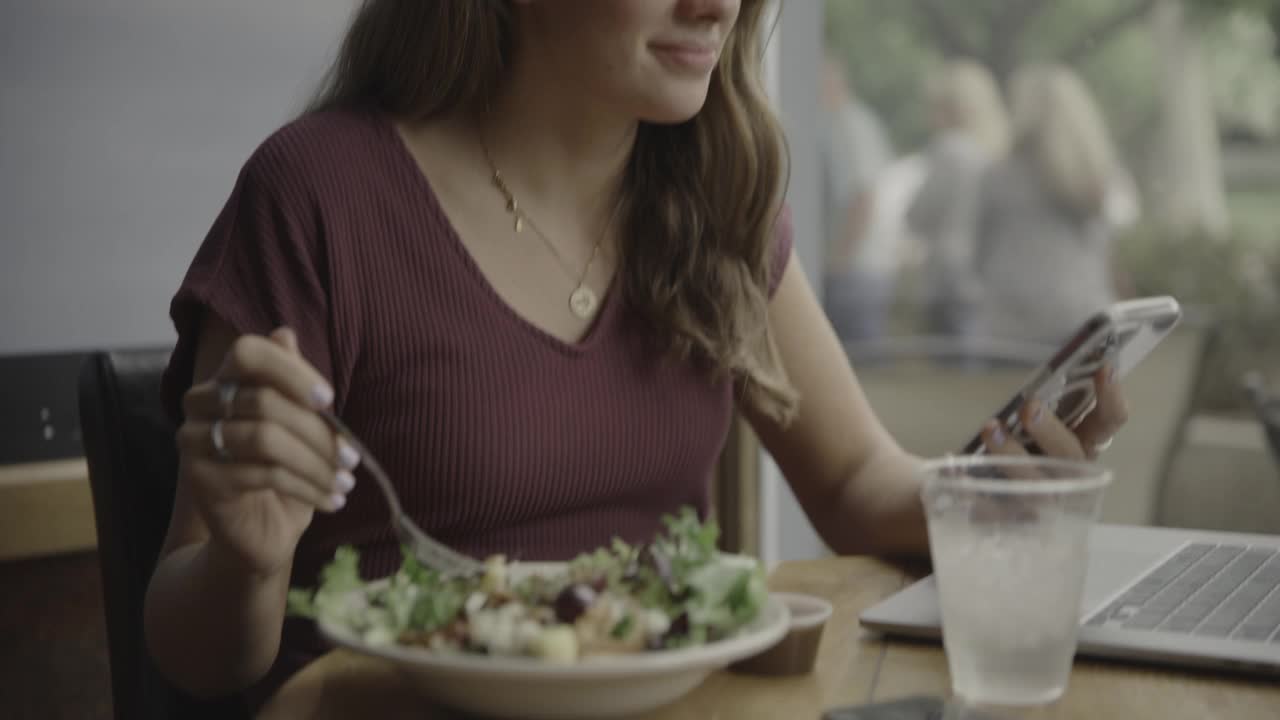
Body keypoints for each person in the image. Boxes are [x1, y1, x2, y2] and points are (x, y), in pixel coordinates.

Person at [144, 1, 1129, 711]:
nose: (716, 5)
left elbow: (852, 476)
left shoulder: (714, 196)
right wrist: (244, 562)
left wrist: (992, 487)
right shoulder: (319, 194)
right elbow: (198, 659)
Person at [971, 64, 1135, 344]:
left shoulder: (999, 175)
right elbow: (1111, 243)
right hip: (1085, 317)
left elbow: (979, 252)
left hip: (1013, 324)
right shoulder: (1099, 176)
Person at [906, 58, 1011, 339]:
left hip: (949, 277)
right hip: (985, 279)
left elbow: (916, 215)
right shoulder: (998, 151)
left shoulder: (950, 150)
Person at [819, 53, 897, 343]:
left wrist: (837, 262)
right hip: (856, 270)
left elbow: (862, 198)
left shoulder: (849, 127)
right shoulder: (846, 123)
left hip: (855, 273)